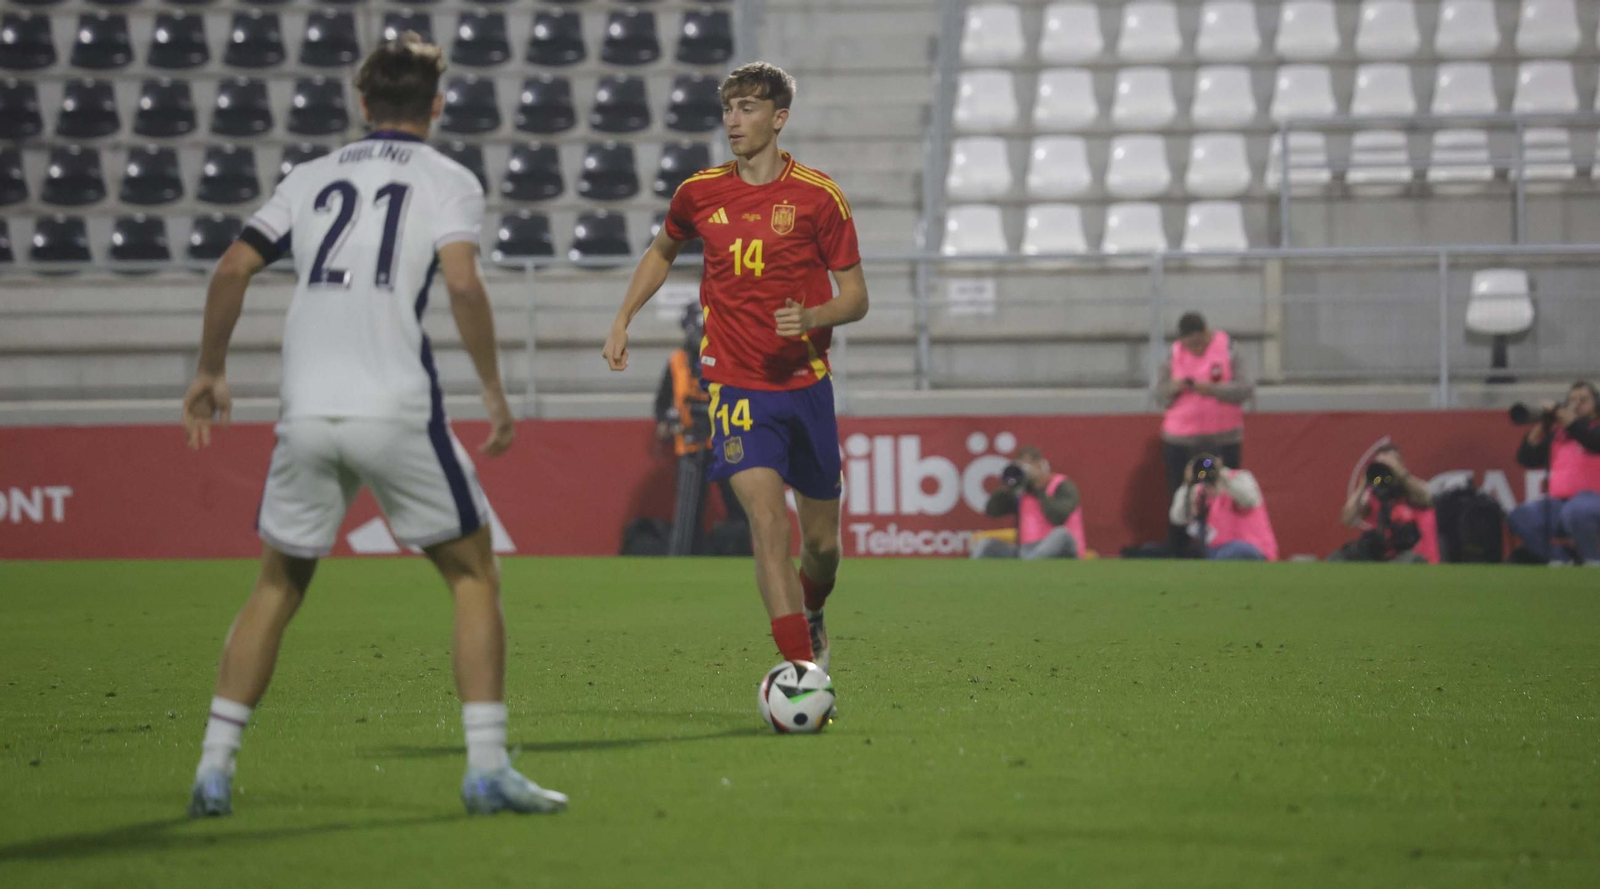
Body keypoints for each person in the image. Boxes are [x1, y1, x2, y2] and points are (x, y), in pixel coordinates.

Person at [179, 34, 565, 818]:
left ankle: (214, 768)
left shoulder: (310, 177)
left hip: (307, 408)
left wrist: (210, 370)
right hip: (393, 404)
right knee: (472, 574)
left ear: (361, 104)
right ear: (436, 104)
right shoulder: (447, 179)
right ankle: (486, 767)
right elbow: (462, 283)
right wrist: (493, 391)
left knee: (278, 582)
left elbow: (231, 267)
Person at [602, 62, 868, 674]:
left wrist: (815, 315)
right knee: (768, 523)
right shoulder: (699, 192)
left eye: (748, 107)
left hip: (805, 386)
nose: (733, 119)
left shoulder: (818, 197)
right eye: (728, 107)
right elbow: (662, 250)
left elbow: (857, 298)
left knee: (822, 548)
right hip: (736, 384)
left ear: (779, 119)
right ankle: (800, 669)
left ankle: (814, 607)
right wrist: (623, 317)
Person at [1154, 312, 1254, 553]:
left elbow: (1245, 388)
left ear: (1207, 333)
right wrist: (1174, 388)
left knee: (1224, 492)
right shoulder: (1173, 354)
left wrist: (1213, 390)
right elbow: (1159, 395)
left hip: (1221, 440)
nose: (1195, 350)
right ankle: (1180, 548)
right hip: (1181, 441)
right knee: (1182, 493)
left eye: (1199, 343)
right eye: (1190, 345)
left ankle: (1227, 546)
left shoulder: (1229, 348)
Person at [653, 303, 746, 554]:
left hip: (725, 442)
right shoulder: (677, 362)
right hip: (691, 441)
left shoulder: (727, 358)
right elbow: (662, 403)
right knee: (688, 510)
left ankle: (746, 552)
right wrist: (668, 422)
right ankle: (683, 556)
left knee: (740, 503)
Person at [1507, 381, 1600, 565]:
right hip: (1559, 502)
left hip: (1592, 499)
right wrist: (1543, 424)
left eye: (1583, 399)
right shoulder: (1560, 433)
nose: (1577, 403)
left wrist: (1564, 415)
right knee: (1520, 516)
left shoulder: (1594, 428)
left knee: (1575, 511)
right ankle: (1560, 559)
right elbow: (1527, 458)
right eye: (1572, 399)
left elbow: (1592, 441)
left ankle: (1592, 560)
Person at [1329, 444, 1439, 563]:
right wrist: (1363, 484)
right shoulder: (1372, 492)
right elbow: (1348, 519)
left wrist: (1401, 474)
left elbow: (1427, 499)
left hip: (1412, 553)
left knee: (1410, 560)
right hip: (1381, 553)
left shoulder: (1412, 489)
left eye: (1390, 464)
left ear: (1401, 465)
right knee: (1336, 558)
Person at [970, 446, 1084, 560]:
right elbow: (992, 511)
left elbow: (1058, 517)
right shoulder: (1022, 491)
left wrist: (1039, 487)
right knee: (985, 545)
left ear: (1040, 465)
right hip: (1026, 552)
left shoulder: (1062, 485)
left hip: (1060, 549)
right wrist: (1009, 486)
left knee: (1061, 533)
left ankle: (1031, 562)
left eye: (1028, 467)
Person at [1168, 453, 1278, 561]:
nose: (1205, 467)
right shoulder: (1198, 491)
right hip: (1213, 553)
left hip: (1251, 550)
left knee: (1236, 549)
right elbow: (1177, 518)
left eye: (1208, 463)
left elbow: (1250, 500)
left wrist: (1221, 474)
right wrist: (1188, 484)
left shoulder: (1239, 478)